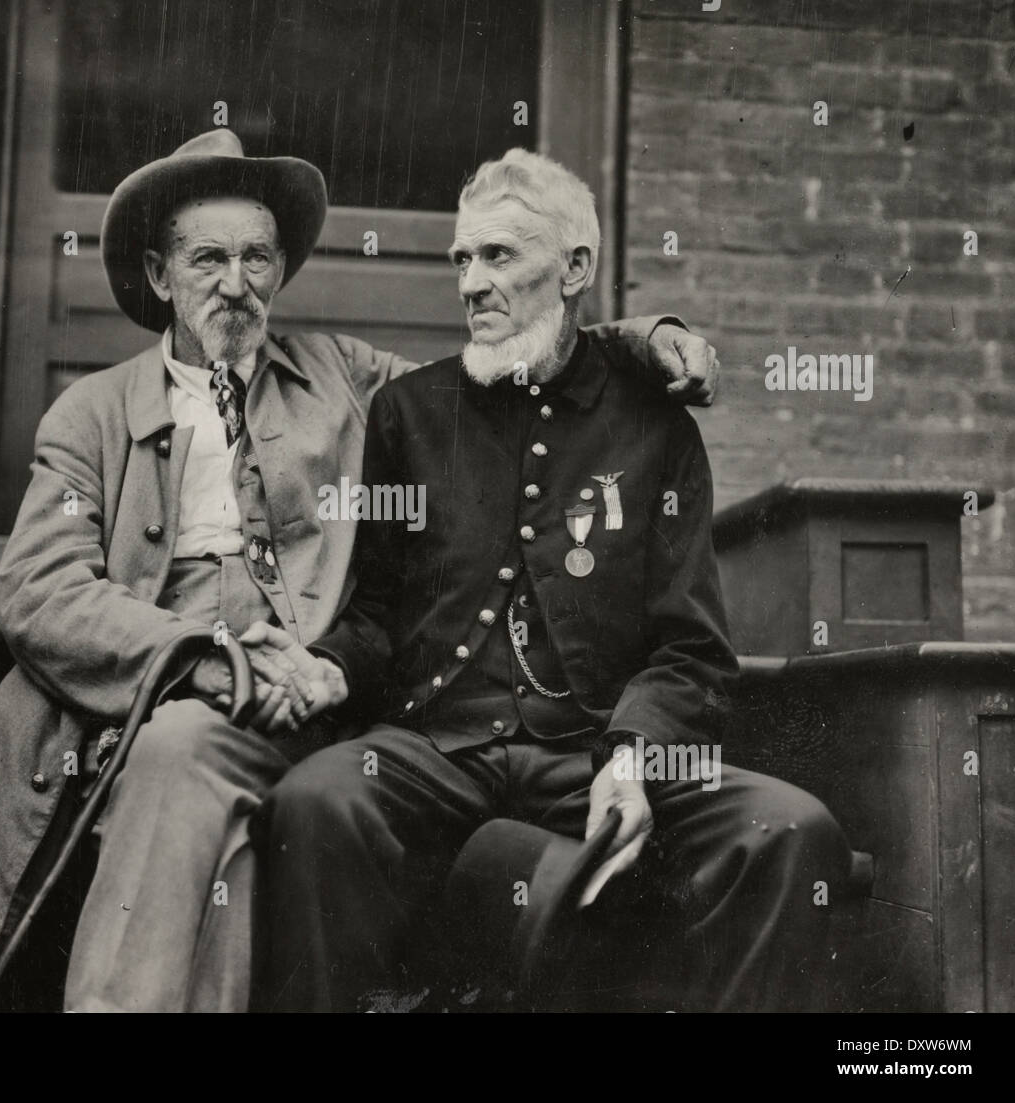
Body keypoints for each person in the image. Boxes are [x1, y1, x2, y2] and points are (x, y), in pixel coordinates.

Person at [0, 128, 722, 1012]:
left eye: (258, 258)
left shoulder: (344, 377)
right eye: (208, 259)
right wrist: (203, 657)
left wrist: (641, 339)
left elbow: (508, 358)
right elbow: (42, 590)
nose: (236, 285)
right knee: (188, 763)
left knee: (226, 786)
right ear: (160, 276)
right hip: (154, 704)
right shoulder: (91, 415)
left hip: (315, 702)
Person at [251, 148, 852, 1013]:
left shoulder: (655, 427)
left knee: (791, 830)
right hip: (436, 751)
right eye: (462, 258)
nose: (470, 283)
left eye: (499, 256)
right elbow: (377, 613)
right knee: (315, 800)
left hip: (595, 752)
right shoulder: (408, 414)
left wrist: (632, 755)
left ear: (576, 268)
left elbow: (692, 650)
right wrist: (328, 666)